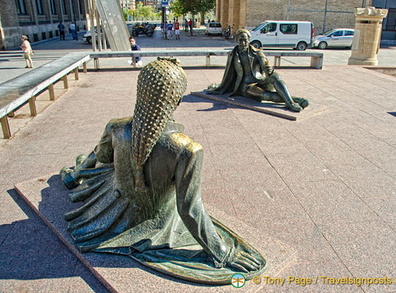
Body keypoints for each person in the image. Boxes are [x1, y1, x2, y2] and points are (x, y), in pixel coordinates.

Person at [60, 58, 266, 283]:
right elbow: (189, 208)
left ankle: (75, 173)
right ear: (177, 100)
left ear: (141, 92)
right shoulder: (187, 149)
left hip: (111, 208)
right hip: (155, 219)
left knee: (93, 159)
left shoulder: (116, 127)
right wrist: (221, 251)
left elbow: (103, 159)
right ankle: (77, 172)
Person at [208, 29, 308, 112]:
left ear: (249, 40)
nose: (243, 43)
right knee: (266, 96)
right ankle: (294, 100)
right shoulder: (233, 54)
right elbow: (228, 74)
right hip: (246, 86)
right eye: (240, 40)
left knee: (275, 76)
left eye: (245, 40)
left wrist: (269, 69)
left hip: (260, 79)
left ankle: (290, 103)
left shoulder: (257, 53)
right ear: (236, 40)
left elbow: (264, 62)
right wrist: (221, 87)